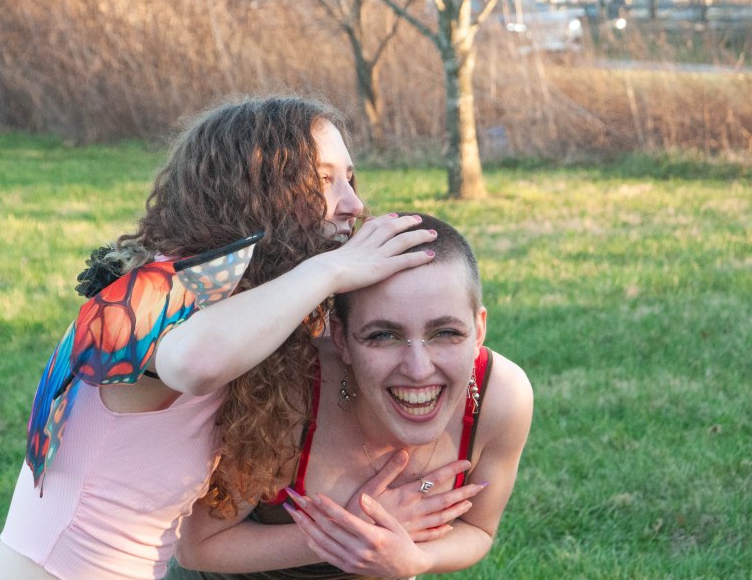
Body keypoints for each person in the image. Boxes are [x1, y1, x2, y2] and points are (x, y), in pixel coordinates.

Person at [0, 96, 437, 580]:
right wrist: (331, 268)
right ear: (256, 190)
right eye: (322, 180)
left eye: (349, 179)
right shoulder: (148, 295)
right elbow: (193, 363)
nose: (353, 205)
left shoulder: (245, 305)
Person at [167, 214, 533, 578]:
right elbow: (197, 547)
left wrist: (418, 560)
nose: (419, 369)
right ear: (341, 338)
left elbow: (479, 530)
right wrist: (350, 531)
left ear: (479, 329)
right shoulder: (291, 393)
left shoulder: (498, 397)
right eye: (383, 336)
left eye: (446, 332)